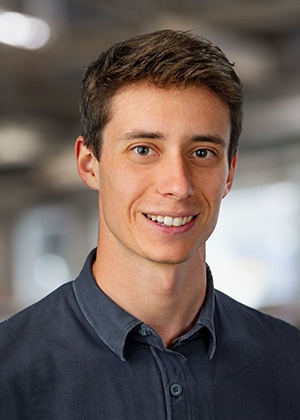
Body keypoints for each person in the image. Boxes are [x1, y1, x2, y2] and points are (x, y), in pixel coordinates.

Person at [0, 29, 299, 420]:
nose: (178, 184)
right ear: (89, 164)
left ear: (229, 173)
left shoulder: (288, 361)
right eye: (143, 150)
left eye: (203, 152)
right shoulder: (10, 371)